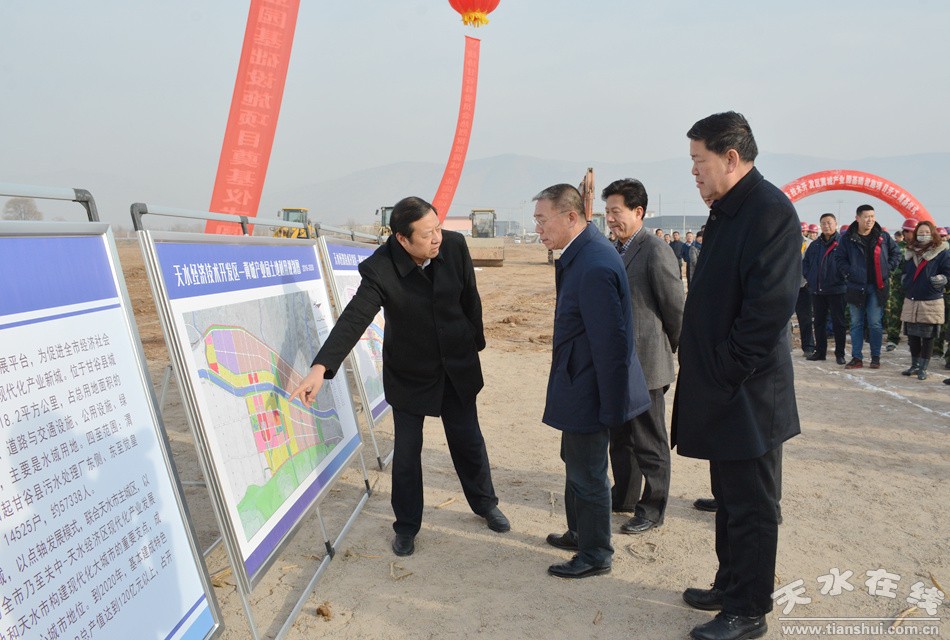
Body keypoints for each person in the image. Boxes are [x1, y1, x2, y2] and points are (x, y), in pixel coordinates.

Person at [289, 196, 509, 558]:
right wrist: (320, 367)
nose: (437, 238)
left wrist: (474, 343)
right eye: (427, 234)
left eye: (438, 228)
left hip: (456, 366)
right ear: (402, 239)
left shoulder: (454, 246)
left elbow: (471, 299)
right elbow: (354, 318)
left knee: (468, 440)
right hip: (410, 372)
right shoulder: (380, 269)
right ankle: (406, 526)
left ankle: (485, 504)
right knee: (407, 453)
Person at [672, 112, 801, 640]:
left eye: (698, 161)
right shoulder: (728, 210)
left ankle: (748, 610)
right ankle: (729, 585)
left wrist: (724, 369)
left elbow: (767, 310)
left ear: (730, 157)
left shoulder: (770, 211)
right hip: (724, 388)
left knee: (752, 506)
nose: (694, 172)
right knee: (728, 500)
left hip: (748, 391)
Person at [534, 183, 650, 579]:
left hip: (589, 388)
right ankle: (580, 532)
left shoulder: (594, 264)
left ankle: (596, 553)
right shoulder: (580, 255)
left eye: (542, 220)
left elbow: (612, 345)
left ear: (571, 217)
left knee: (588, 473)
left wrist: (613, 407)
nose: (538, 229)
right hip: (576, 380)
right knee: (575, 463)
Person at [601, 178, 684, 534]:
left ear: (638, 212)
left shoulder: (655, 250)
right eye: (607, 212)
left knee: (649, 439)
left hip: (647, 363)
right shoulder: (612, 249)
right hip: (618, 363)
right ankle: (624, 496)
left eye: (616, 212)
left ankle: (653, 507)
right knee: (620, 437)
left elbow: (675, 308)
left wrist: (670, 351)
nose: (610, 219)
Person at [835, 205, 901, 369]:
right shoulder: (848, 238)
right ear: (857, 218)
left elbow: (896, 253)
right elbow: (839, 258)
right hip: (856, 286)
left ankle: (875, 357)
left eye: (872, 216)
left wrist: (888, 268)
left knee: (875, 323)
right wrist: (849, 272)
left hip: (877, 286)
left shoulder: (883, 236)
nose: (870, 220)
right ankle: (857, 357)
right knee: (856, 323)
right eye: (866, 217)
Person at [898, 221, 950, 380]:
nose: (923, 234)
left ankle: (923, 368)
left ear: (933, 233)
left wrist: (943, 279)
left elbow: (948, 272)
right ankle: (914, 365)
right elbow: (904, 270)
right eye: (920, 232)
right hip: (912, 297)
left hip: (931, 299)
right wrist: (904, 279)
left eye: (927, 231)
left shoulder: (942, 252)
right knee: (912, 334)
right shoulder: (910, 251)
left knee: (928, 336)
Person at [803, 213, 847, 364]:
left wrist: (842, 277)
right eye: (823, 223)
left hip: (837, 290)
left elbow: (849, 264)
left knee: (838, 323)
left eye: (829, 223)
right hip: (817, 290)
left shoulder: (843, 243)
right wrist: (810, 277)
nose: (826, 226)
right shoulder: (815, 245)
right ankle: (820, 352)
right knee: (819, 322)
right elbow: (806, 263)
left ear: (835, 224)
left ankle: (840, 354)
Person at [795, 227, 816, 357]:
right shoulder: (782, 241)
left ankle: (808, 347)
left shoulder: (809, 244)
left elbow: (812, 264)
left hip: (803, 286)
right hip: (785, 286)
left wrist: (808, 278)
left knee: (805, 318)